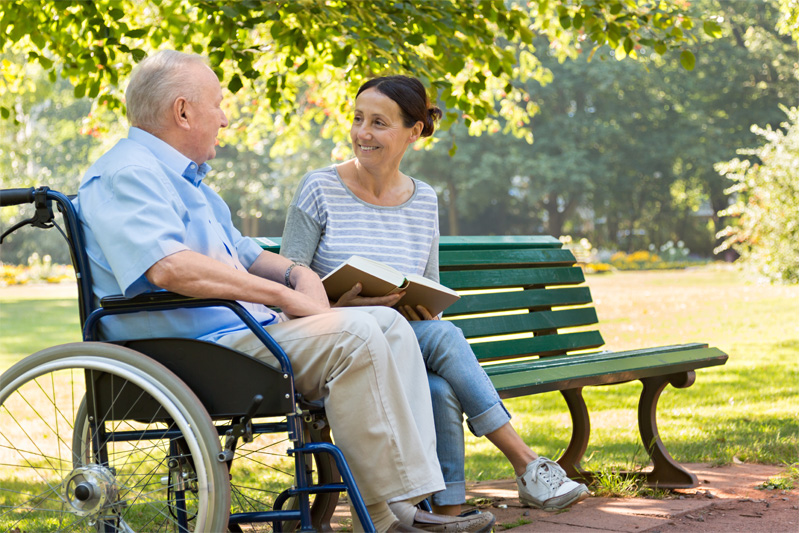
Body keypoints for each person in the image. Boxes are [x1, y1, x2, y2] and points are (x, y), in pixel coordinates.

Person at [74, 51, 495, 533]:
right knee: (357, 335)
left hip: (238, 336)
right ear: (184, 111)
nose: (225, 119)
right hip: (189, 350)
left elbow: (248, 253)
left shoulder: (189, 183)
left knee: (388, 324)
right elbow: (170, 269)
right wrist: (283, 297)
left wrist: (298, 274)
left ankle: (401, 508)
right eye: (218, 104)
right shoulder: (128, 173)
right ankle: (392, 516)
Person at [280, 75, 591, 515]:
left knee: (439, 384)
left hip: (403, 337)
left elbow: (429, 286)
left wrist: (423, 307)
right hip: (333, 339)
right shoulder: (319, 187)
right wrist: (337, 307)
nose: (362, 133)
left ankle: (445, 511)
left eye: (378, 123)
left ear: (414, 131)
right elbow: (286, 283)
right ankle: (526, 463)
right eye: (358, 119)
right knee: (445, 341)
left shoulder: (423, 199)